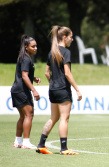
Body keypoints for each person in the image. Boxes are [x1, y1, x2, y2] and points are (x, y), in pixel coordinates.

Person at [36, 26, 82, 155]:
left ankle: (40, 145)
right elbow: (67, 73)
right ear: (64, 37)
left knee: (53, 118)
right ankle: (64, 148)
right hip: (63, 90)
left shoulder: (52, 52)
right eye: (71, 37)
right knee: (64, 119)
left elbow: (46, 73)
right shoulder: (66, 52)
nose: (72, 40)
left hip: (53, 89)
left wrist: (54, 83)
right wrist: (77, 89)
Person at [11, 34, 41, 149]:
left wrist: (33, 78)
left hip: (16, 90)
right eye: (33, 46)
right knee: (29, 114)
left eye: (36, 46)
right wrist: (34, 90)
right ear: (26, 47)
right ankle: (26, 142)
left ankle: (18, 142)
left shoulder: (23, 57)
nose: (35, 48)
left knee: (23, 116)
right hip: (21, 90)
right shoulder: (26, 58)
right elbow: (24, 76)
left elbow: (23, 73)